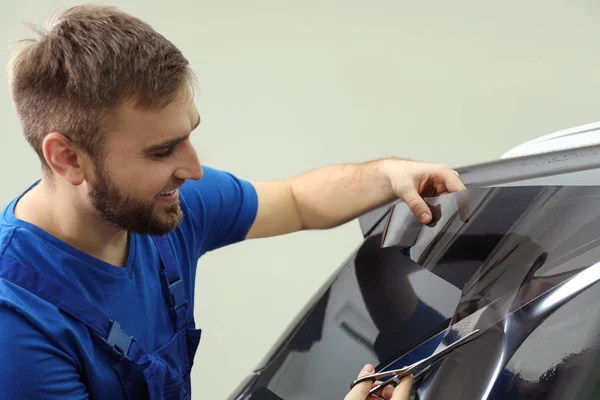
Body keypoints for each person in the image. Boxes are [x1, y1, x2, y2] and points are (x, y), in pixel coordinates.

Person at [0, 4, 465, 399]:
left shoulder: (164, 206)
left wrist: (386, 175)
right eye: (161, 151)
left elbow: (298, 200)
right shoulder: (17, 329)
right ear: (68, 158)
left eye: (189, 135)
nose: (194, 170)